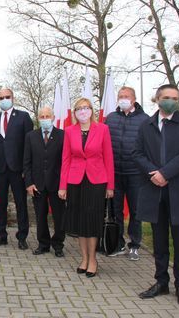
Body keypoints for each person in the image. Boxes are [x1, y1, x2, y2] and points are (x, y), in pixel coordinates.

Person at [134, 84, 179, 307]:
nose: (170, 101)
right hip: (154, 190)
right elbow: (137, 153)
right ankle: (161, 282)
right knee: (159, 241)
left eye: (175, 97)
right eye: (166, 97)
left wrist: (165, 173)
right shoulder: (146, 125)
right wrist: (153, 173)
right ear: (157, 99)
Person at [59, 97, 114, 278]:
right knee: (80, 223)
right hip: (75, 181)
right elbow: (65, 159)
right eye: (79, 109)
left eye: (86, 108)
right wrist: (62, 186)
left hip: (96, 181)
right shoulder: (69, 131)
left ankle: (93, 259)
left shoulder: (103, 129)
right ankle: (84, 258)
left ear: (92, 110)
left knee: (92, 221)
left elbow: (108, 158)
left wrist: (110, 185)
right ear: (74, 113)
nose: (83, 111)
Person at [0, 87, 33, 250]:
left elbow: (29, 145)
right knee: (0, 203)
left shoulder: (24, 117)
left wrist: (28, 168)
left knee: (21, 204)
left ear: (13, 98)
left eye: (7, 96)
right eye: (1, 97)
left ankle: (22, 236)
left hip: (18, 169)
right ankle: (1, 235)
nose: (4, 99)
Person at [105, 86, 149, 261]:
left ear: (134, 99)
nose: (123, 99)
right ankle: (118, 242)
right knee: (115, 210)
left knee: (136, 210)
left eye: (126, 96)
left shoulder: (145, 120)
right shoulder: (111, 118)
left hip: (135, 173)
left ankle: (135, 245)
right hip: (114, 172)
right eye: (120, 96)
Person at [23, 106, 65, 257]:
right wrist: (28, 183)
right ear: (38, 119)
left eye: (48, 116)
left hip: (57, 184)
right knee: (40, 216)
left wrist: (64, 185)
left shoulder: (62, 135)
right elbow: (26, 162)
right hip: (37, 184)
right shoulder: (31, 136)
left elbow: (66, 162)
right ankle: (43, 244)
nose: (45, 118)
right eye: (42, 116)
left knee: (59, 217)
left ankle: (58, 244)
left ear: (53, 117)